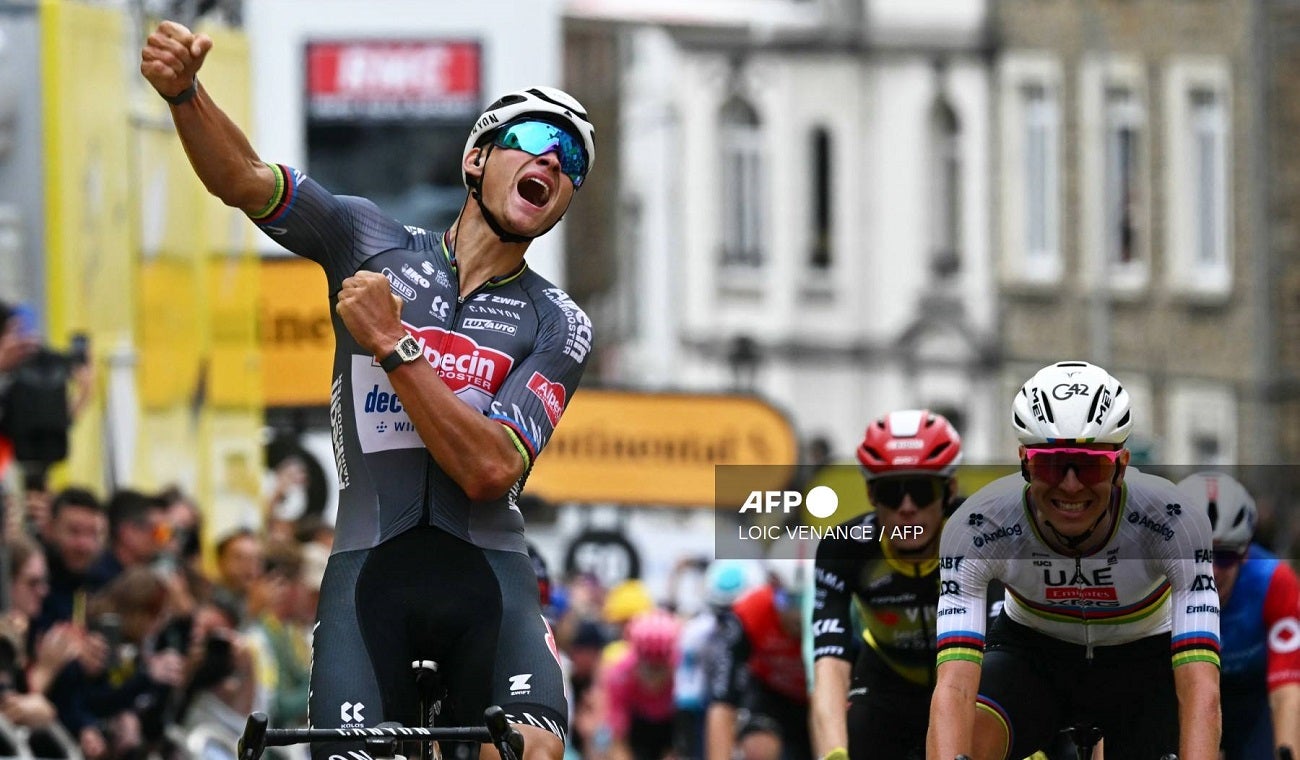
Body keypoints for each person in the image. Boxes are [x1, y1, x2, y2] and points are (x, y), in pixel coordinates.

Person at [140, 19, 595, 760]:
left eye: (573, 157)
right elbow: (245, 180)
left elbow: (489, 471)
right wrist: (185, 94)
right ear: (477, 158)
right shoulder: (366, 240)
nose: (555, 158)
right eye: (537, 137)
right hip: (369, 575)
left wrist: (393, 344)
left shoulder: (558, 322)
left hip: (487, 581)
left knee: (532, 752)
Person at [927, 360, 1221, 760]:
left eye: (1089, 465)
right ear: (1024, 462)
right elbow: (954, 687)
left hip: (1141, 659)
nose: (1070, 484)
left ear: (1121, 466)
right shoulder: (979, 525)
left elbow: (1201, 688)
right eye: (1050, 463)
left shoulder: (1173, 520)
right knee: (975, 739)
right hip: (1031, 654)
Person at [809, 409, 962, 760]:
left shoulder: (981, 535)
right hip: (885, 681)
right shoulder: (845, 548)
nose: (907, 508)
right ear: (870, 494)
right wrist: (834, 753)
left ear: (949, 490)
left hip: (969, 681)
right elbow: (829, 666)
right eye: (891, 493)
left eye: (922, 491)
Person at [1177, 471, 1300, 760]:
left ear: (1245, 552)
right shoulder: (1156, 583)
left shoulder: (1274, 581)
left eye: (1225, 555)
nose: (1212, 570)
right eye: (1199, 555)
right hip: (1179, 696)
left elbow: (1287, 691)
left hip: (1251, 702)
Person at [705, 561, 811, 760]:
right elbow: (722, 699)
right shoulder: (749, 611)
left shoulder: (841, 608)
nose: (798, 615)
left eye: (806, 601)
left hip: (821, 695)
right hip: (772, 696)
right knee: (759, 749)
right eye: (789, 600)